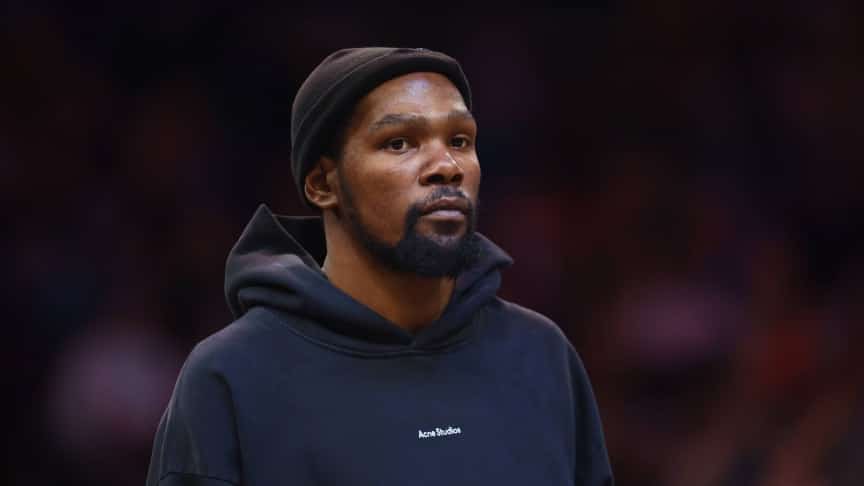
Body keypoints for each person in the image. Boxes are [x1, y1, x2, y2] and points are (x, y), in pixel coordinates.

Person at [145, 47, 614, 486]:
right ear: (322, 183)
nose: (447, 165)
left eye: (460, 140)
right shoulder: (232, 376)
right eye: (399, 143)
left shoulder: (541, 355)